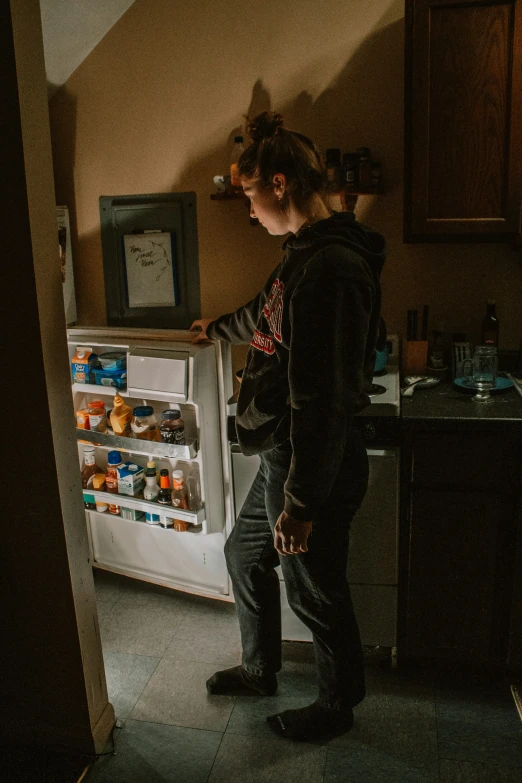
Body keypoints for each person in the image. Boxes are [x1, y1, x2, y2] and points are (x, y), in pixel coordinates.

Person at [191, 112, 385, 742]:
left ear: (278, 184)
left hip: (311, 463)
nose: (249, 211)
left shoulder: (333, 267)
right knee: (244, 556)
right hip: (283, 455)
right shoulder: (303, 254)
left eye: (250, 196)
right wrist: (216, 328)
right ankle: (259, 669)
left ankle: (337, 705)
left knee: (312, 585)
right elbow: (264, 316)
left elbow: (324, 400)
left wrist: (300, 505)